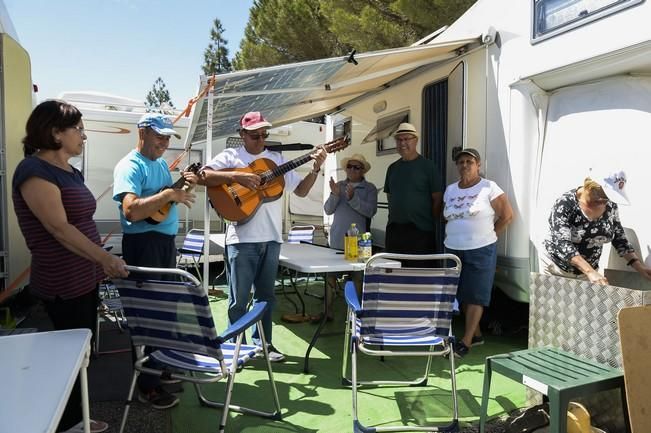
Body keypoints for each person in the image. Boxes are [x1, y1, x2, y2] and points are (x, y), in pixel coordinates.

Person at [12, 100, 128, 433]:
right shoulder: (33, 171)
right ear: (54, 132)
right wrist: (106, 258)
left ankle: (76, 416)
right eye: (78, 129)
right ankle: (64, 422)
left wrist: (97, 263)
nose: (84, 136)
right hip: (62, 279)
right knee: (67, 356)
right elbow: (59, 229)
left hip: (85, 276)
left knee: (83, 350)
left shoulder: (69, 171)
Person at [197, 111, 326, 361]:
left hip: (272, 238)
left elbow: (300, 191)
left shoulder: (276, 159)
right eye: (255, 135)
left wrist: (316, 168)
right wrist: (237, 176)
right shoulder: (232, 156)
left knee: (266, 297)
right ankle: (236, 346)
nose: (260, 139)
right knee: (238, 299)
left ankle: (263, 345)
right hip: (241, 239)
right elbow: (203, 176)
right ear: (242, 134)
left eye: (264, 134)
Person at [113, 113, 198, 409]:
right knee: (150, 315)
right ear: (143, 133)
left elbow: (169, 199)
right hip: (144, 244)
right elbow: (132, 212)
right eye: (159, 136)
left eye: (167, 137)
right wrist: (169, 194)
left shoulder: (161, 165)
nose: (164, 142)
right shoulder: (130, 166)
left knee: (166, 313)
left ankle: (161, 368)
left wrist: (186, 187)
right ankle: (147, 387)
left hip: (163, 244)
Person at [442, 148, 513, 358]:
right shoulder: (451, 189)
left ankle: (466, 341)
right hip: (453, 248)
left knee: (475, 296)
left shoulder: (489, 187)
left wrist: (489, 236)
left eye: (469, 162)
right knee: (461, 293)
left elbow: (507, 216)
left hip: (480, 249)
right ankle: (477, 334)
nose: (465, 165)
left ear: (478, 165)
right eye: (461, 162)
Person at [541, 170, 651, 284]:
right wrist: (590, 272)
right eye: (603, 196)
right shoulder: (565, 204)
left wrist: (639, 266)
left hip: (588, 274)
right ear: (590, 186)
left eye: (608, 198)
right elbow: (562, 243)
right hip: (557, 270)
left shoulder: (610, 205)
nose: (605, 201)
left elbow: (619, 238)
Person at [321, 153, 377, 321]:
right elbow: (328, 210)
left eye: (356, 167)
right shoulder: (338, 185)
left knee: (358, 277)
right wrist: (335, 194)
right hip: (338, 240)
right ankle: (327, 312)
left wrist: (353, 199)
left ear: (362, 171)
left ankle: (356, 313)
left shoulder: (370, 189)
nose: (352, 170)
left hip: (360, 242)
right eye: (349, 167)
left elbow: (370, 211)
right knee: (330, 276)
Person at [384, 123, 442, 256]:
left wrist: (426, 222)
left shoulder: (428, 166)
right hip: (394, 231)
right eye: (399, 140)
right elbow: (390, 196)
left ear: (415, 140)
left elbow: (437, 198)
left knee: (419, 273)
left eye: (407, 139)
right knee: (394, 272)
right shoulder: (392, 168)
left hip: (420, 231)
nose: (402, 143)